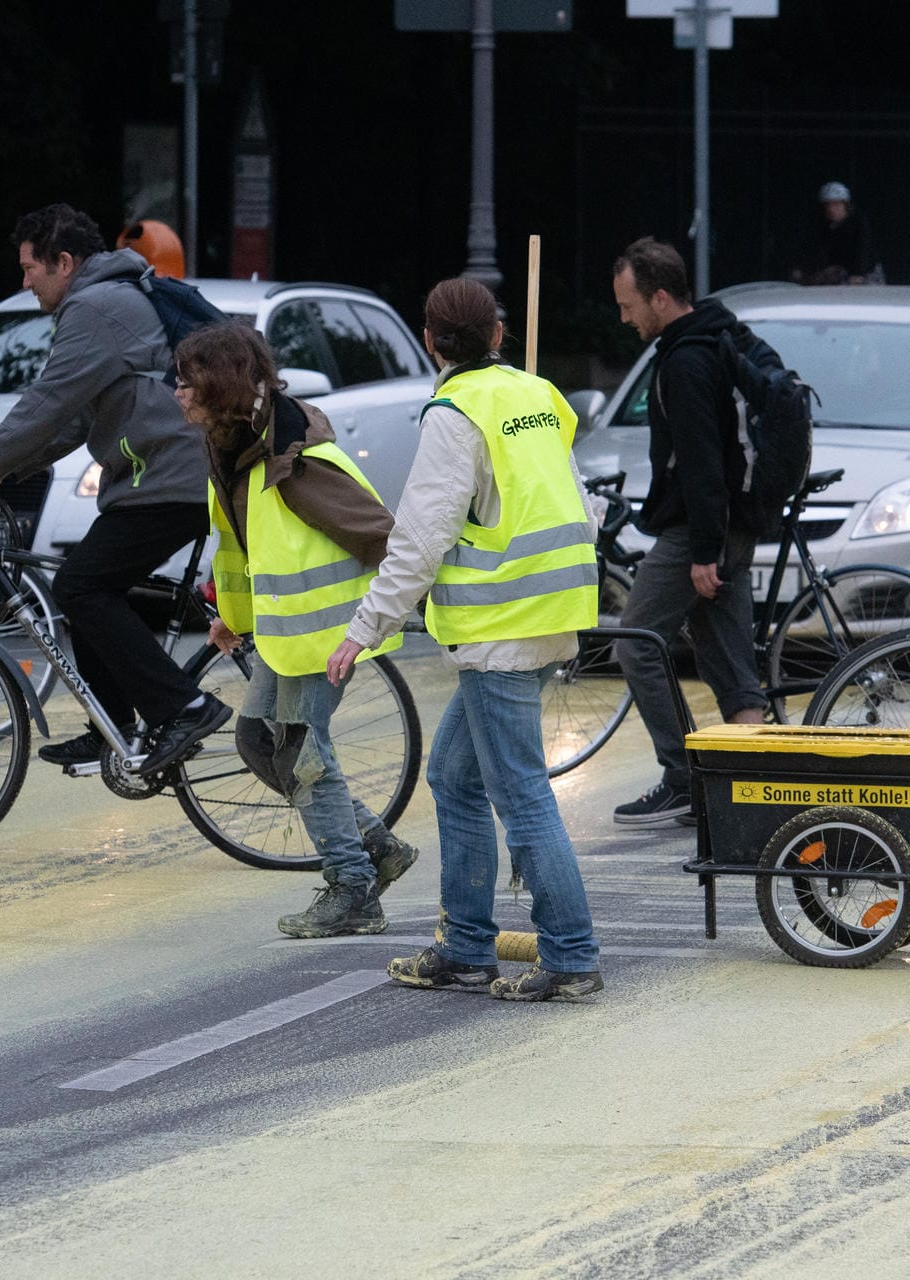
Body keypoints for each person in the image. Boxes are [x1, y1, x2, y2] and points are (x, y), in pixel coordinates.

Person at [327, 275, 603, 1002]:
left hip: (500, 631)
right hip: (552, 613)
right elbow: (580, 505)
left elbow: (420, 539)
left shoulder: (454, 413)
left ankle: (572, 956)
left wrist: (363, 631)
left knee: (520, 793)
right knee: (454, 775)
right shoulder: (537, 397)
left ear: (429, 339)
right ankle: (468, 947)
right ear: (499, 336)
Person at [0, 203, 227, 778]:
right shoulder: (114, 298)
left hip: (171, 480)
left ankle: (186, 707)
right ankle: (112, 728)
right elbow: (69, 420)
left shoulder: (94, 307)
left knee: (81, 585)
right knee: (90, 589)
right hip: (164, 477)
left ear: (63, 262)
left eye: (29, 269)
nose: (24, 282)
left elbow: (45, 401)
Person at [175, 321, 418, 937]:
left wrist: (377, 624)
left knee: (300, 752)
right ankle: (378, 848)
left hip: (329, 637)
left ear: (222, 385)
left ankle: (354, 890)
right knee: (258, 742)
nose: (176, 392)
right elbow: (239, 547)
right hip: (287, 639)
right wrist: (233, 617)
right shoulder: (229, 446)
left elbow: (388, 538)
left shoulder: (297, 459)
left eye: (187, 382)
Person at [609, 236, 769, 828]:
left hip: (701, 530)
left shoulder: (686, 359)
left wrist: (704, 551)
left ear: (658, 297)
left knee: (636, 642)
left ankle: (685, 777)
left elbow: (703, 461)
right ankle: (750, 791)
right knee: (728, 662)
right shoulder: (709, 338)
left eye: (628, 305)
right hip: (726, 523)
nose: (623, 317)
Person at [794, 181, 880, 286]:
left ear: (845, 205)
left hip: (865, 272)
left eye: (836, 204)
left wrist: (858, 273)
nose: (831, 209)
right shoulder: (821, 225)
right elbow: (814, 250)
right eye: (828, 205)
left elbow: (863, 249)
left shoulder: (858, 223)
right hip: (839, 271)